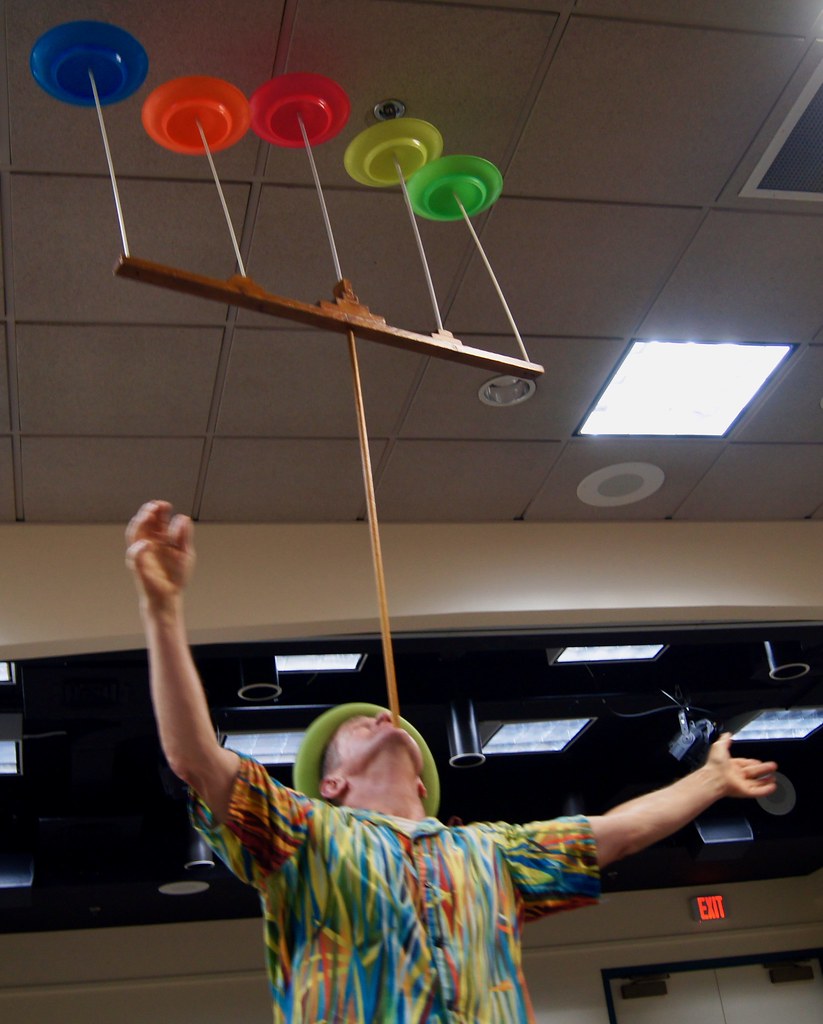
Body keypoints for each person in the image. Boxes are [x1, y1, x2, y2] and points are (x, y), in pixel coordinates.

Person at [126, 499, 778, 1024]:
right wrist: (163, 610)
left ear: (419, 779)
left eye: (390, 721)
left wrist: (709, 778)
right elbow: (195, 760)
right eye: (358, 726)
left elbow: (618, 830)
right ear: (332, 782)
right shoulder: (304, 835)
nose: (382, 717)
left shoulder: (492, 854)